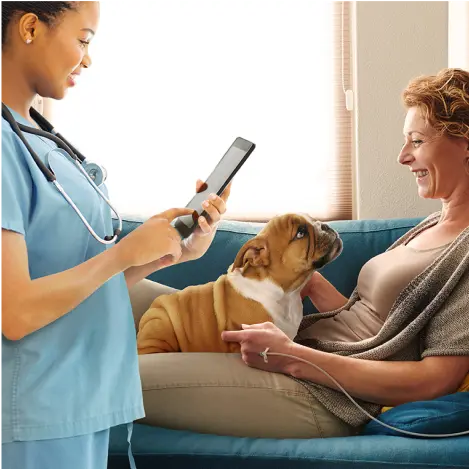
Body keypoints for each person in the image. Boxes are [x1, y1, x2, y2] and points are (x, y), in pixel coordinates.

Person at [136, 68, 469, 440]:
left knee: (117, 381)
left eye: (417, 141)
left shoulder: (465, 251)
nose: (402, 156)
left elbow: (436, 380)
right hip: (302, 353)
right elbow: (372, 328)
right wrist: (298, 279)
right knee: (121, 289)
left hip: (324, 395)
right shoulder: (430, 226)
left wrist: (294, 357)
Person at [0, 1, 231, 468]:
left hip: (77, 404)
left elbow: (77, 284)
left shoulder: (36, 137)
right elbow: (16, 312)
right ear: (29, 27)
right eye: (83, 40)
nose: (87, 59)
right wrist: (123, 253)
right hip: (33, 413)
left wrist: (166, 255)